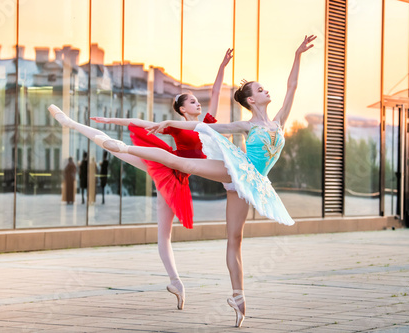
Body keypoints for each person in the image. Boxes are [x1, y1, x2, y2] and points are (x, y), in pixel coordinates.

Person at [79, 35, 315, 327]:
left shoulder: (279, 121)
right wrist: (171, 123)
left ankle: (238, 298)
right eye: (260, 89)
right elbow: (205, 127)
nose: (267, 91)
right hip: (238, 170)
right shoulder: (246, 125)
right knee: (183, 162)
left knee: (235, 239)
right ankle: (125, 149)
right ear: (251, 100)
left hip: (252, 184)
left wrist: (297, 54)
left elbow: (292, 86)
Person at [48, 48, 233, 310]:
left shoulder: (207, 123)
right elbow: (139, 121)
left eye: (196, 101)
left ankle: (176, 283)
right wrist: (112, 119)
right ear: (181, 109)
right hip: (165, 163)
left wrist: (222, 66)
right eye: (191, 101)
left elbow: (215, 93)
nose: (197, 103)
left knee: (165, 235)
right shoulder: (176, 125)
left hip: (177, 180)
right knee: (115, 147)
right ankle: (71, 123)